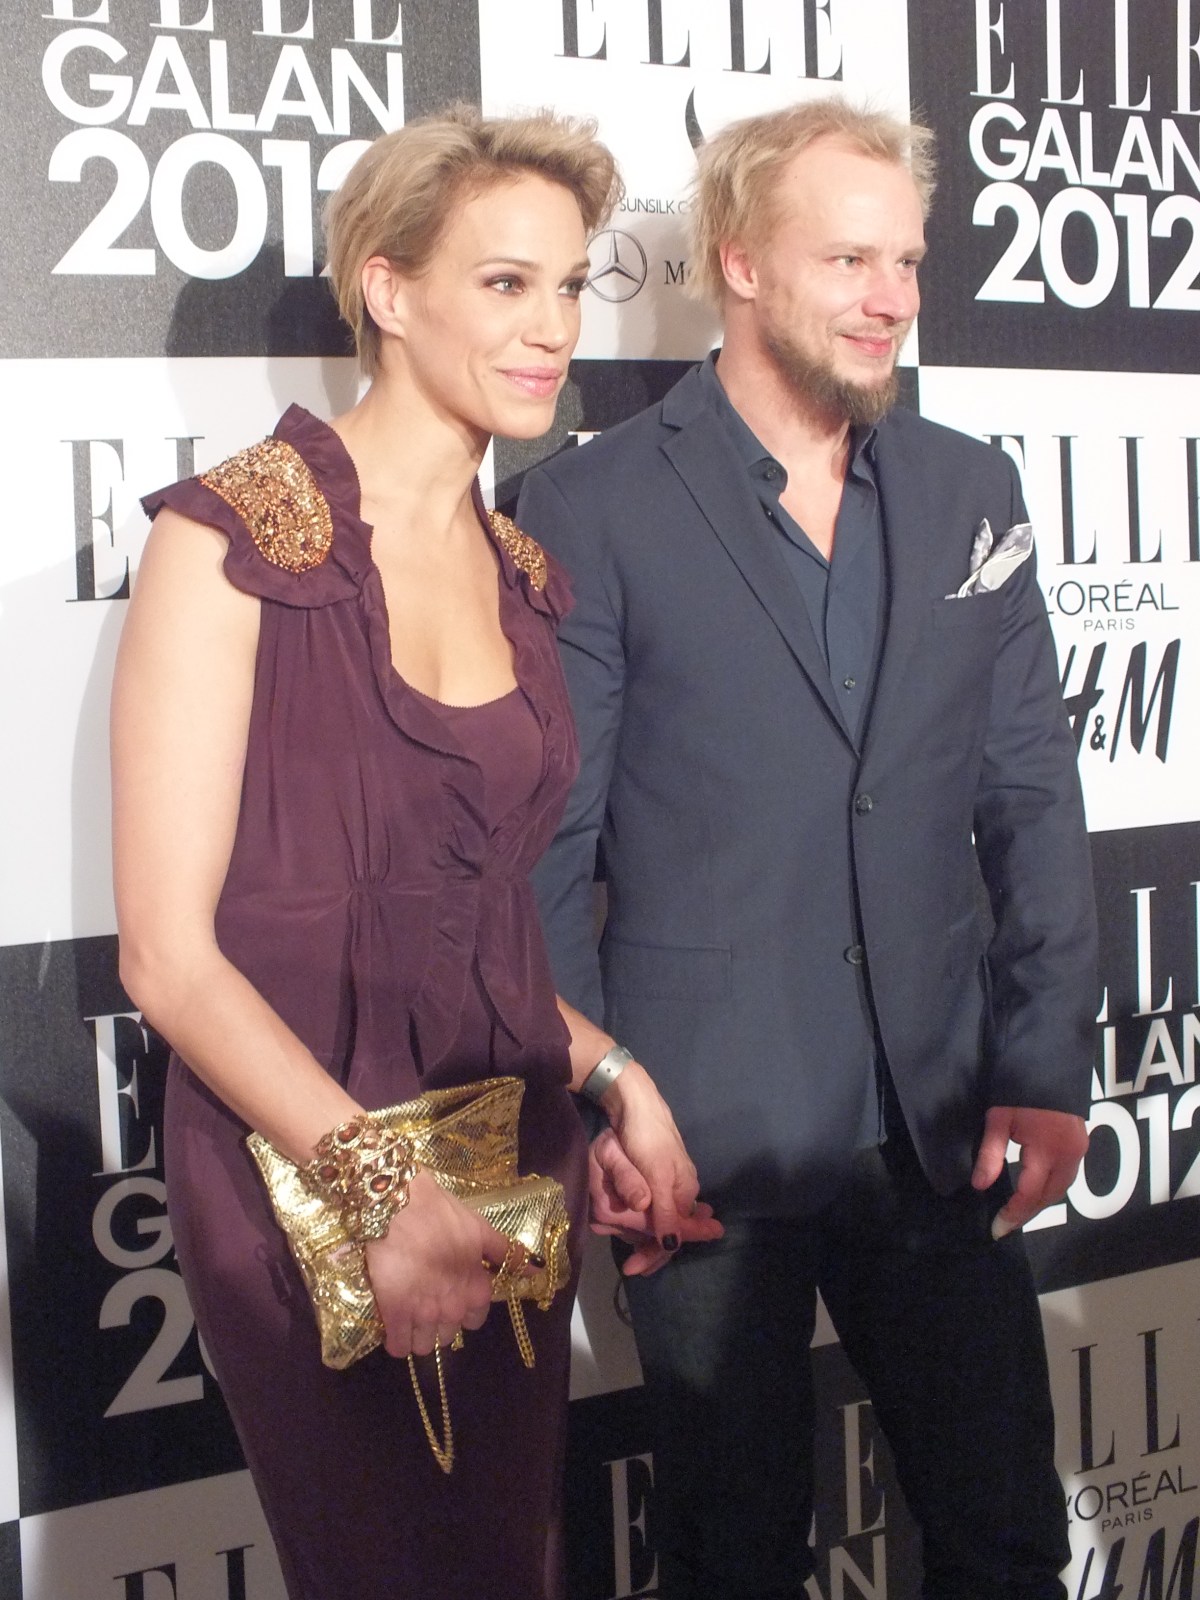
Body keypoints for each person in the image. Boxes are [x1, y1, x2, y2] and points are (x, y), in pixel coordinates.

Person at [111, 106, 716, 1600]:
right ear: (388, 289)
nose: (553, 328)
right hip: (304, 1174)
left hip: (512, 1156)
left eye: (569, 286)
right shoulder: (234, 542)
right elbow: (169, 961)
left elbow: (463, 923)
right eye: (505, 283)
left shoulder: (523, 573)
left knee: (511, 1564)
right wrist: (384, 1193)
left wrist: (615, 1078)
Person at [518, 97, 1098, 1600]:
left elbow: (1032, 795)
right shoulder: (588, 503)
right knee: (733, 1557)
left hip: (939, 1118)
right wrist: (597, 1105)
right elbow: (548, 851)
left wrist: (1044, 1060)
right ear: (742, 265)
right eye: (850, 259)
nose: (892, 296)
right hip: (698, 1134)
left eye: (905, 260)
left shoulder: (972, 490)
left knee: (1005, 1536)